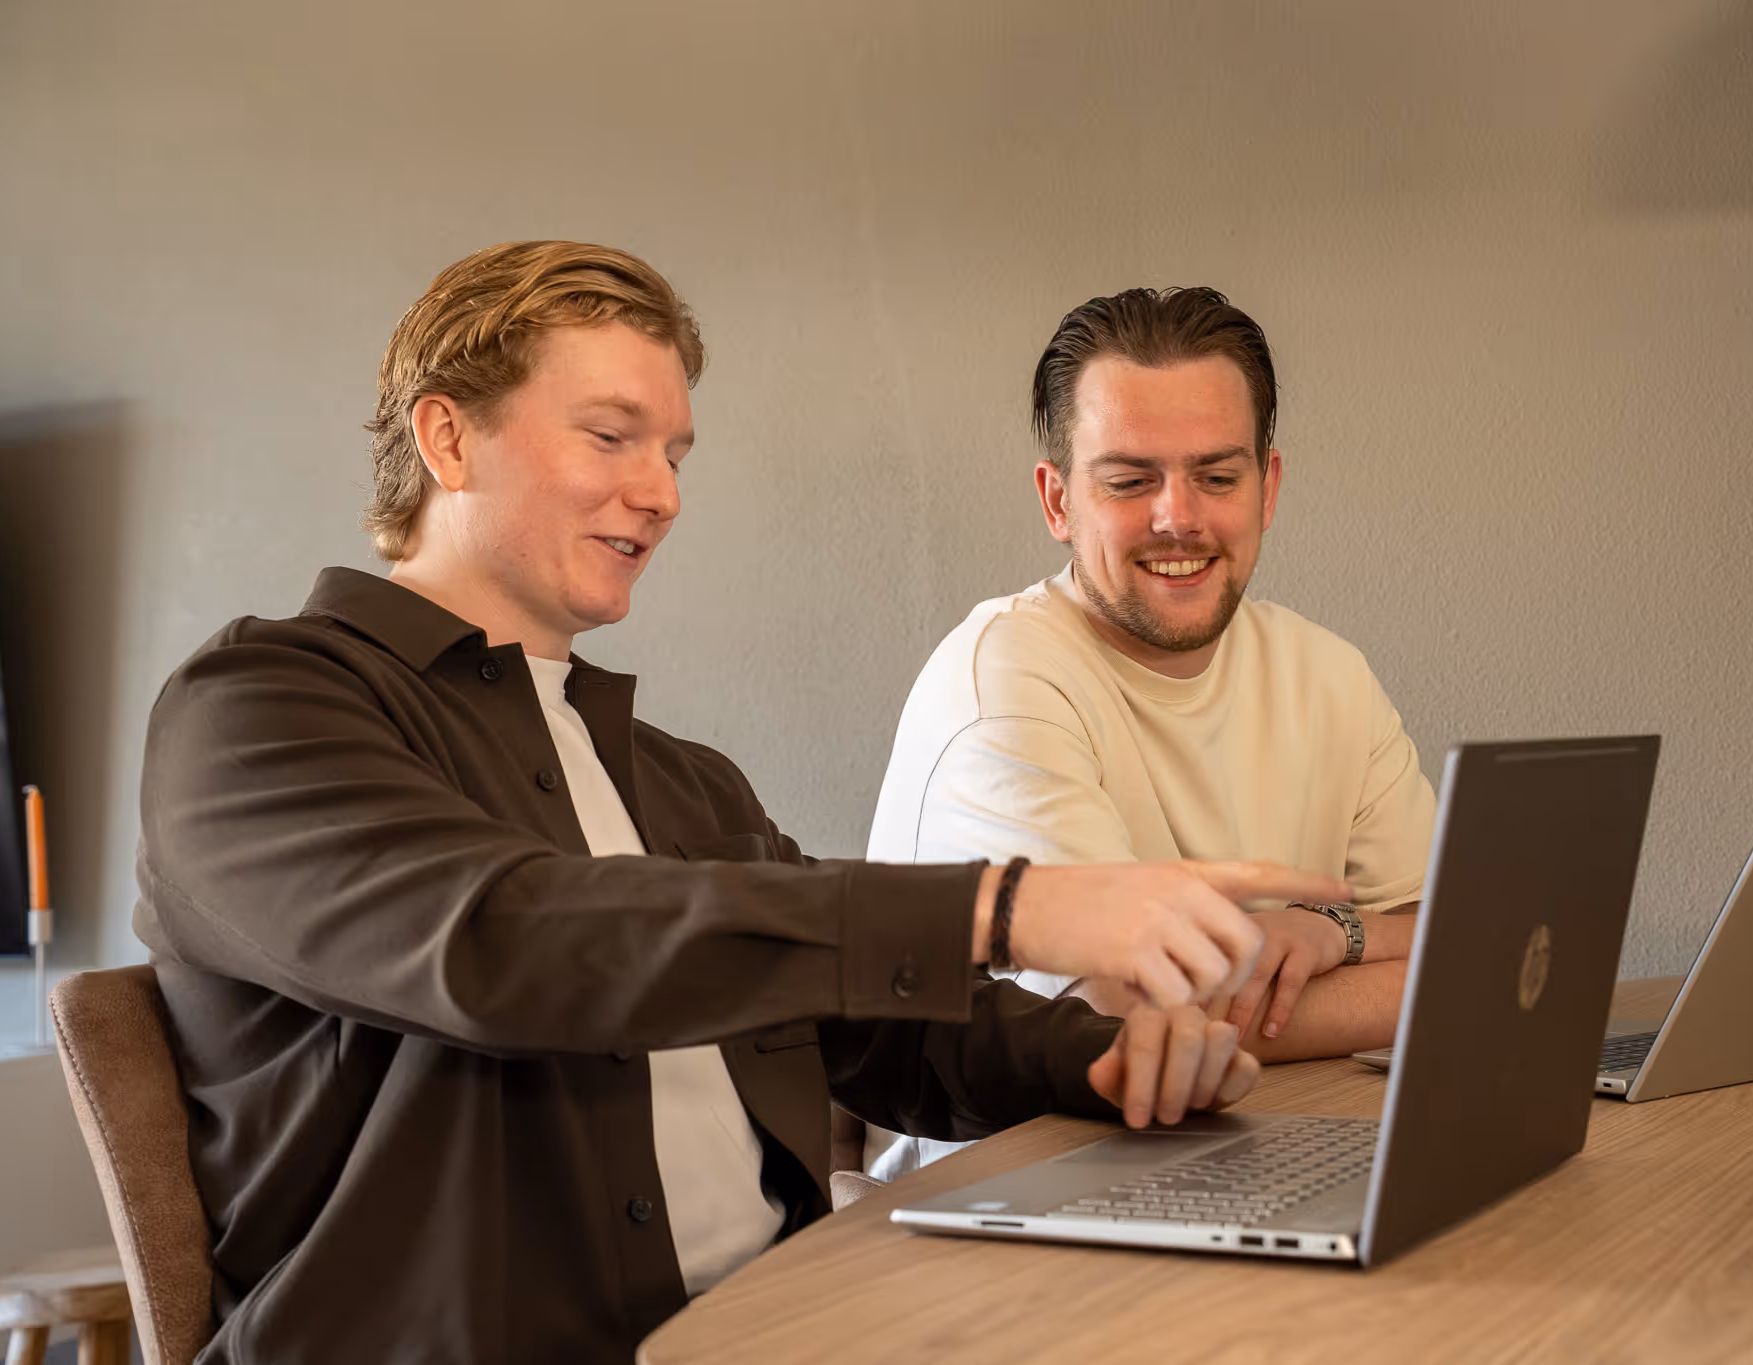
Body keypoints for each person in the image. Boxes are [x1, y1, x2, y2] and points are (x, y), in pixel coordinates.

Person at [133, 243, 1352, 1364]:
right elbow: (502, 942)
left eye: (673, 453)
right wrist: (1005, 908)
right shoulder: (256, 712)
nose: (659, 493)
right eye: (612, 437)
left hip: (783, 1322)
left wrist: (1116, 1063)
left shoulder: (677, 777)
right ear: (447, 439)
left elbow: (864, 1027)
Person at [864, 286, 1437, 1180]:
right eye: (1130, 481)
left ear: (1268, 486)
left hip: (1249, 1156)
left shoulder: (1328, 672)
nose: (1180, 517)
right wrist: (1422, 982)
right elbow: (1131, 1022)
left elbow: (1458, 931)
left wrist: (1338, 933)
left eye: (1218, 475)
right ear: (1058, 501)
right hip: (1018, 1206)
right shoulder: (1004, 680)